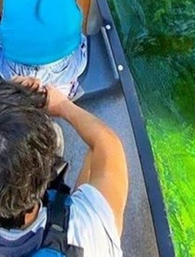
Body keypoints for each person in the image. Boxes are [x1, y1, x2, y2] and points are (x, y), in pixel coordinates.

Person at [0, 77, 127, 255]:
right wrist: (62, 106)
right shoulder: (90, 228)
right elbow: (106, 143)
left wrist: (11, 97)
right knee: (85, 150)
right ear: (46, 169)